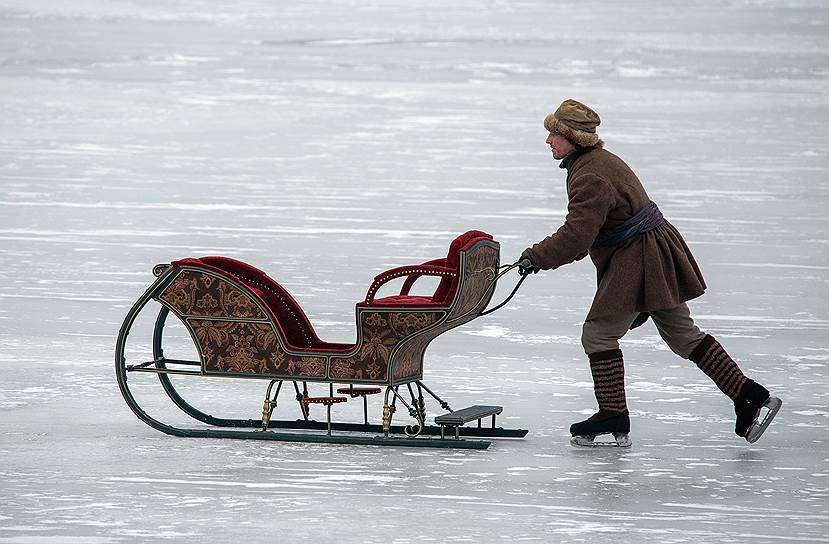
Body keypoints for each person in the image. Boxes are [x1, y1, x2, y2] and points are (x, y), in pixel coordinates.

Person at [520, 99, 782, 447]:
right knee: (683, 335)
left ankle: (613, 413)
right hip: (652, 251)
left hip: (640, 259)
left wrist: (535, 257)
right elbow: (588, 234)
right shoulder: (594, 163)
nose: (548, 141)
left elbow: (578, 235)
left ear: (572, 138)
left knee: (597, 335)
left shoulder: (591, 175)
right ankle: (748, 394)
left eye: (554, 134)